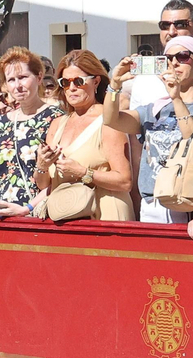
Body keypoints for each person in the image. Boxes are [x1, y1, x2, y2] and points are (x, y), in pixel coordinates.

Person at [107, 36, 193, 224]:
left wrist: (177, 99)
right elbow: (111, 120)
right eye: (168, 58)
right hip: (154, 201)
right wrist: (114, 85)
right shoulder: (155, 108)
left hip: (192, 202)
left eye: (183, 56)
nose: (174, 63)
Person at [34, 51, 135, 240]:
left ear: (96, 81)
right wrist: (42, 166)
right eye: (65, 83)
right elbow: (43, 184)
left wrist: (83, 172)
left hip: (105, 218)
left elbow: (125, 181)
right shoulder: (57, 124)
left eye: (78, 81)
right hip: (66, 218)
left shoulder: (109, 121)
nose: (71, 88)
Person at [0, 48, 62, 218]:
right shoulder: (5, 120)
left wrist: (27, 208)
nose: (17, 86)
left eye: (23, 77)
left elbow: (59, 180)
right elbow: (0, 173)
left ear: (39, 77)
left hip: (34, 216)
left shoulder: (55, 118)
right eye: (11, 80)